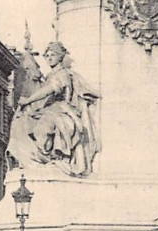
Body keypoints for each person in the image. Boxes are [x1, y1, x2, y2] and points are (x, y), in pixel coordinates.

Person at [7, 41, 99, 177]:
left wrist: (28, 100)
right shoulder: (50, 75)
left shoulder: (63, 74)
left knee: (41, 130)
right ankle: (32, 161)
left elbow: (48, 90)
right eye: (47, 55)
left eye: (53, 55)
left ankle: (52, 158)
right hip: (48, 111)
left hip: (62, 111)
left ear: (60, 57)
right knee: (21, 123)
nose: (49, 58)